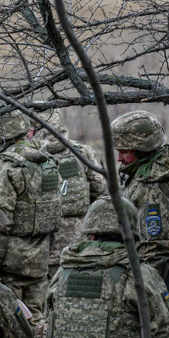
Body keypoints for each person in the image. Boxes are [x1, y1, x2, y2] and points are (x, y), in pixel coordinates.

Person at [44, 196, 169, 338]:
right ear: (130, 236)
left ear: (91, 234)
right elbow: (168, 336)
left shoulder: (63, 271)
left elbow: (47, 324)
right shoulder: (140, 274)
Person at [0, 110, 63, 329]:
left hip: (11, 265)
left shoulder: (5, 167)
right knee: (37, 319)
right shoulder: (47, 162)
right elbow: (54, 215)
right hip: (40, 258)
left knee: (10, 324)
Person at [111, 110, 169, 313]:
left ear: (142, 149)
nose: (119, 158)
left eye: (124, 151)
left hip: (154, 283)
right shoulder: (166, 161)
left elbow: (157, 246)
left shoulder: (151, 185)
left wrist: (137, 293)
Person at [34, 107, 107, 278]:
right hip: (79, 243)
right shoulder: (81, 152)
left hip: (41, 247)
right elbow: (99, 188)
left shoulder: (30, 157)